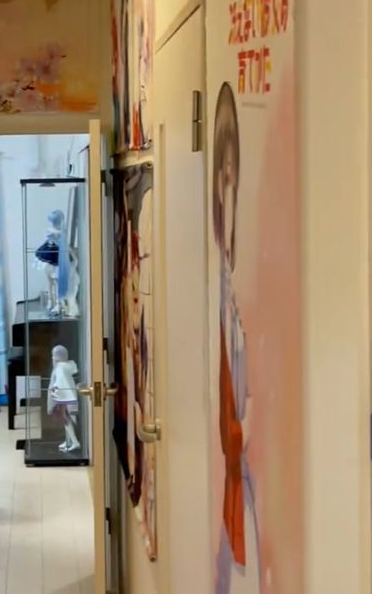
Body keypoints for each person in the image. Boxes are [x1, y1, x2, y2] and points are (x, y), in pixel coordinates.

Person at [213, 82, 261, 594]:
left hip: (246, 489)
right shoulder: (221, 290)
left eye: (233, 173)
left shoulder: (242, 293)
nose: (227, 186)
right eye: (220, 173)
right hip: (231, 491)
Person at [47, 345, 80, 453]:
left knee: (64, 418)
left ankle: (75, 442)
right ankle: (69, 441)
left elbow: (60, 383)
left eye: (54, 355)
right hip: (67, 395)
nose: (52, 357)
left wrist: (55, 396)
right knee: (65, 418)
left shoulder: (60, 368)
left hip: (63, 396)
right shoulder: (66, 366)